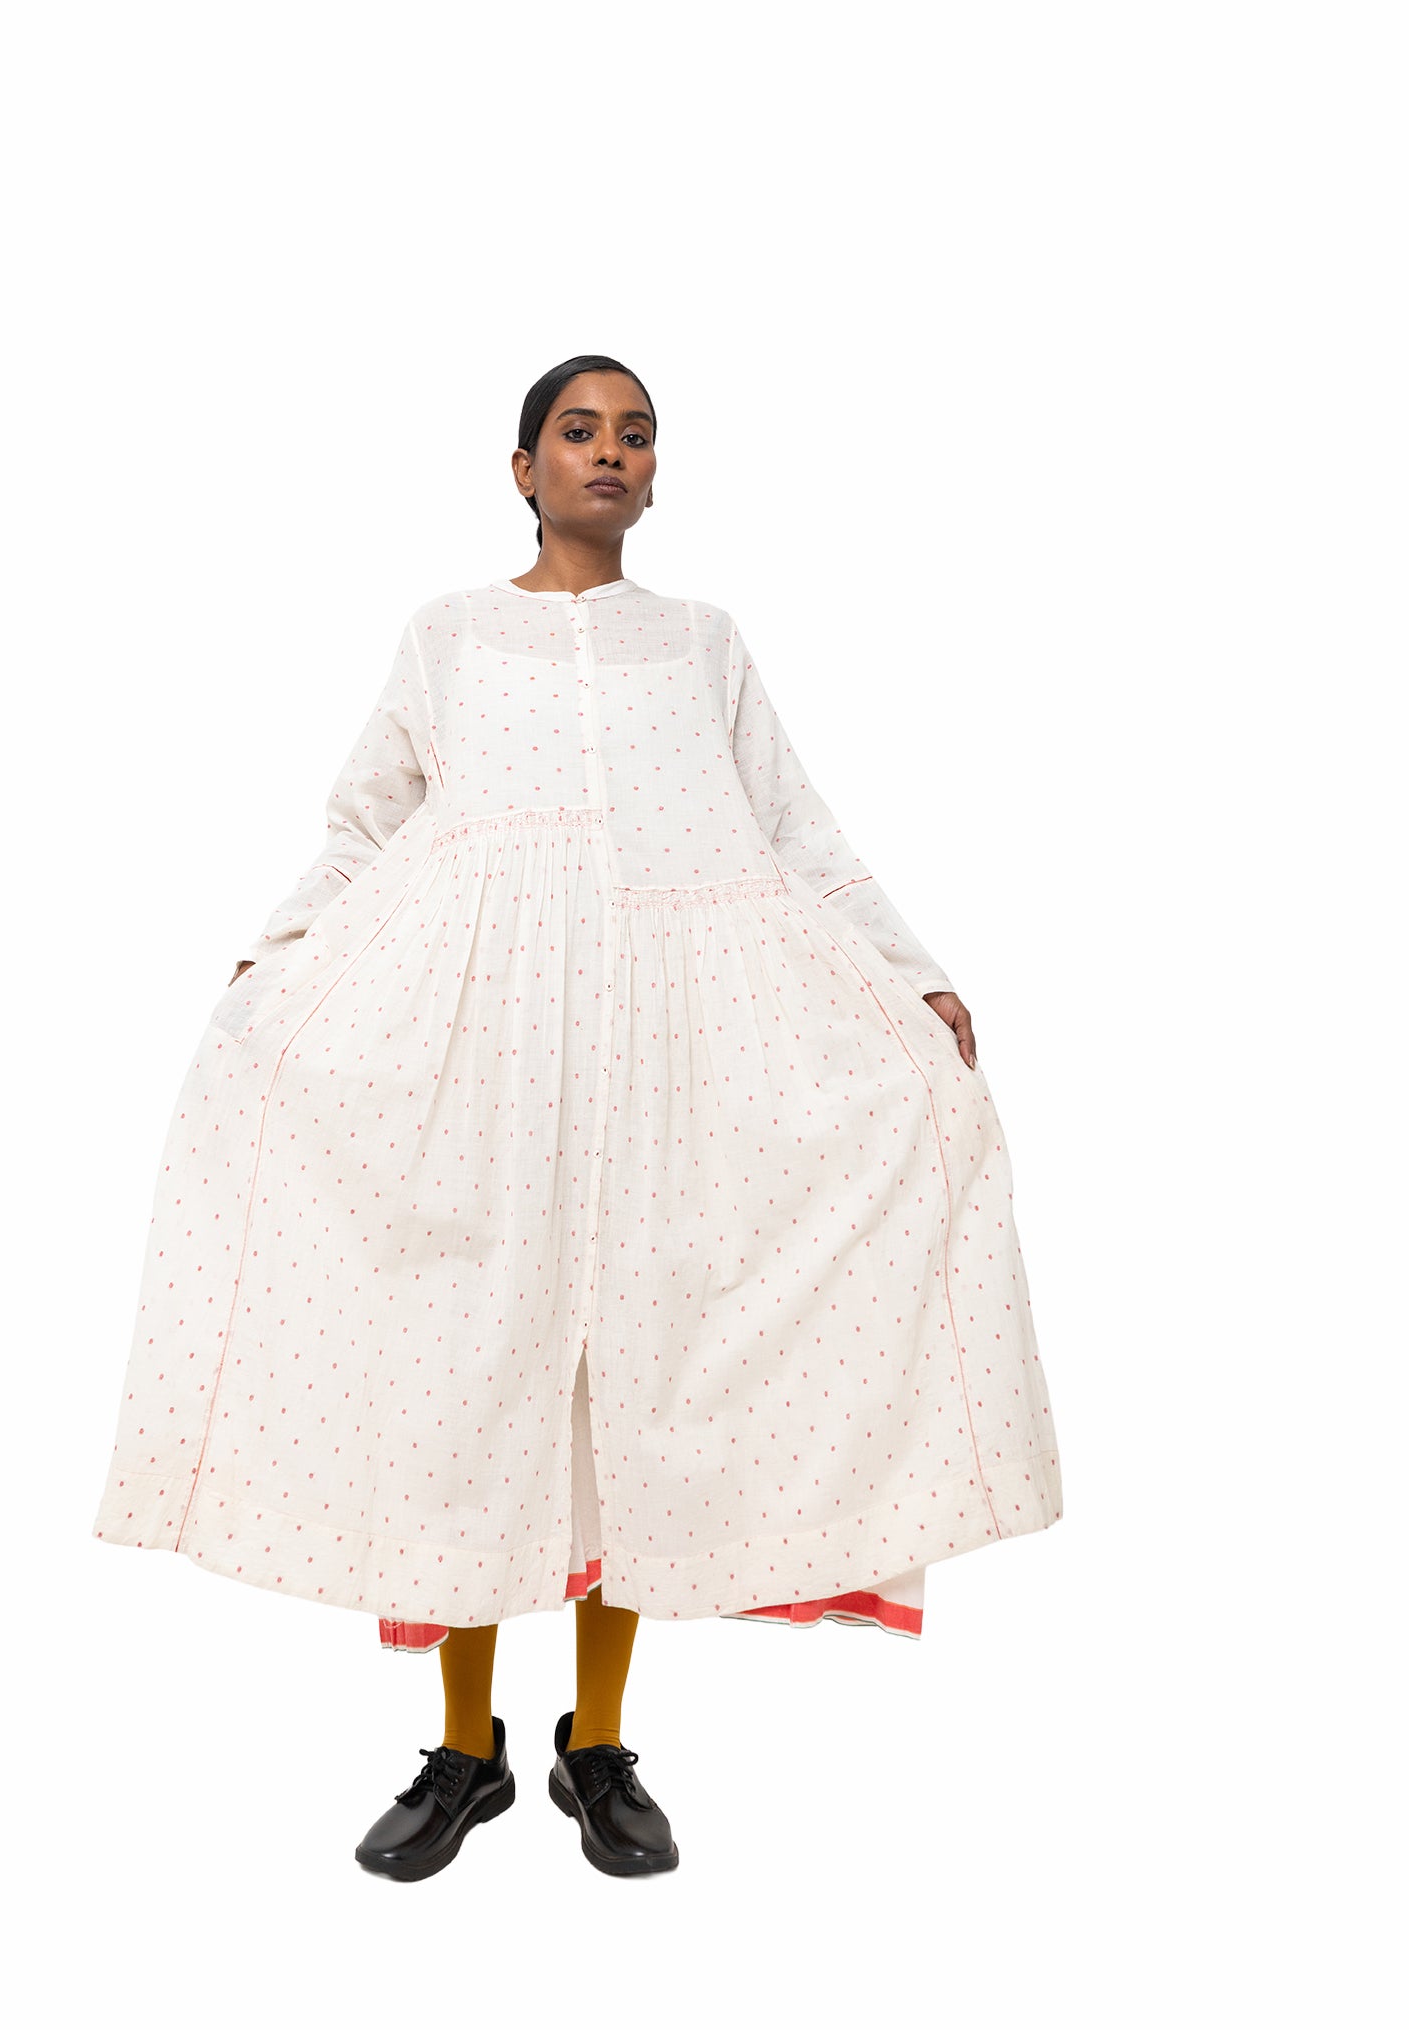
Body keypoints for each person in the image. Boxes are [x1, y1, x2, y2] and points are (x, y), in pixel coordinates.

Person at [91, 354, 1063, 1883]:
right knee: (471, 1381)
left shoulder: (702, 644)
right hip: (485, 1052)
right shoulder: (451, 635)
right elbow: (367, 821)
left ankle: (595, 1743)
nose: (610, 452)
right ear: (523, 467)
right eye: (578, 430)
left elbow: (796, 827)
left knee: (637, 1385)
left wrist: (913, 973)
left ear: (657, 476)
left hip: (670, 1052)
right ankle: (464, 1747)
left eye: (637, 435)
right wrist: (279, 953)